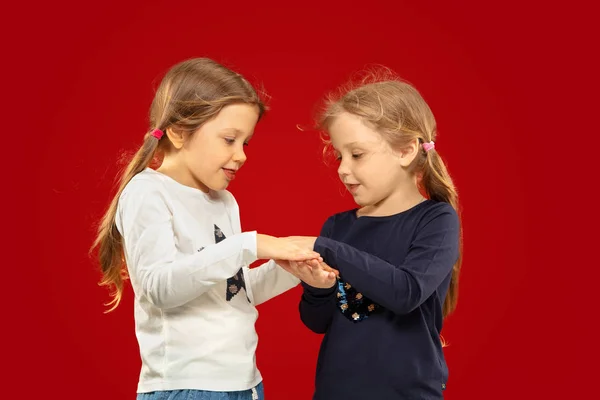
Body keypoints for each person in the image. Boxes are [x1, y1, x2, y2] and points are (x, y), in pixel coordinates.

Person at [91, 57, 333, 400]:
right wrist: (251, 245)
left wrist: (292, 268)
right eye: (229, 139)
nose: (242, 155)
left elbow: (234, 292)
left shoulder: (224, 202)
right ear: (178, 131)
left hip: (245, 384)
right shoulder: (148, 192)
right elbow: (159, 287)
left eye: (245, 143)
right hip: (187, 387)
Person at [283, 73, 462, 399]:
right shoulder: (337, 227)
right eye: (339, 155)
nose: (341, 168)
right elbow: (317, 321)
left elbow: (406, 292)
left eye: (357, 154)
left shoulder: (436, 220)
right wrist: (317, 288)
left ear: (406, 151)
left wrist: (324, 248)